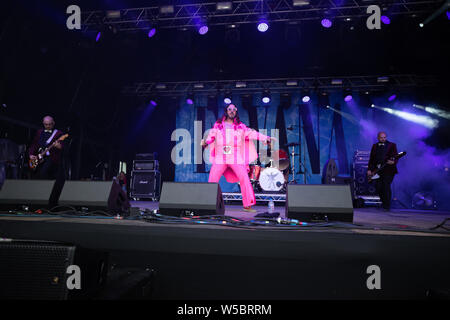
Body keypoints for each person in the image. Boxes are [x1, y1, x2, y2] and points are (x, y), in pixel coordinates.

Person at [201, 104, 276, 212]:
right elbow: (210, 137)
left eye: (234, 110)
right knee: (212, 179)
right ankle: (208, 204)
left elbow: (253, 134)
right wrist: (205, 143)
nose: (232, 111)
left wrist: (266, 138)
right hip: (220, 157)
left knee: (244, 178)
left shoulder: (241, 127)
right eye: (229, 109)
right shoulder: (218, 125)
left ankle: (247, 205)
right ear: (226, 111)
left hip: (235, 156)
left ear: (236, 112)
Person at [367, 131, 398, 211]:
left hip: (389, 170)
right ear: (378, 138)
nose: (383, 139)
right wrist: (369, 169)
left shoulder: (392, 145)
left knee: (386, 186)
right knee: (378, 187)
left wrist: (393, 162)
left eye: (384, 137)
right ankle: (384, 203)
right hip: (378, 170)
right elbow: (371, 159)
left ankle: (387, 206)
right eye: (381, 137)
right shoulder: (374, 146)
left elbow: (396, 156)